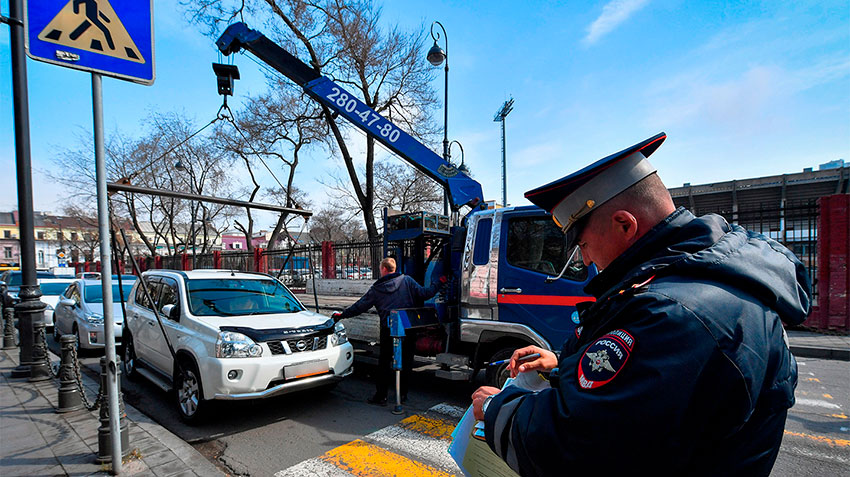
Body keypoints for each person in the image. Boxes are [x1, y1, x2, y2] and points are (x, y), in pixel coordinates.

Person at [471, 132, 811, 476]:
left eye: (584, 244)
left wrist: (498, 408)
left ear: (624, 224)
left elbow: (574, 447)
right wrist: (565, 364)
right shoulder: (706, 280)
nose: (586, 259)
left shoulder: (672, 312)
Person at [333, 257, 445, 406]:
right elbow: (426, 293)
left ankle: (381, 396)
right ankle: (402, 395)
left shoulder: (377, 289)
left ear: (384, 269)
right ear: (394, 268)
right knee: (406, 362)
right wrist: (439, 282)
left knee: (384, 362)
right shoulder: (407, 281)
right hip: (407, 327)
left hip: (389, 329)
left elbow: (360, 306)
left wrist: (342, 315)